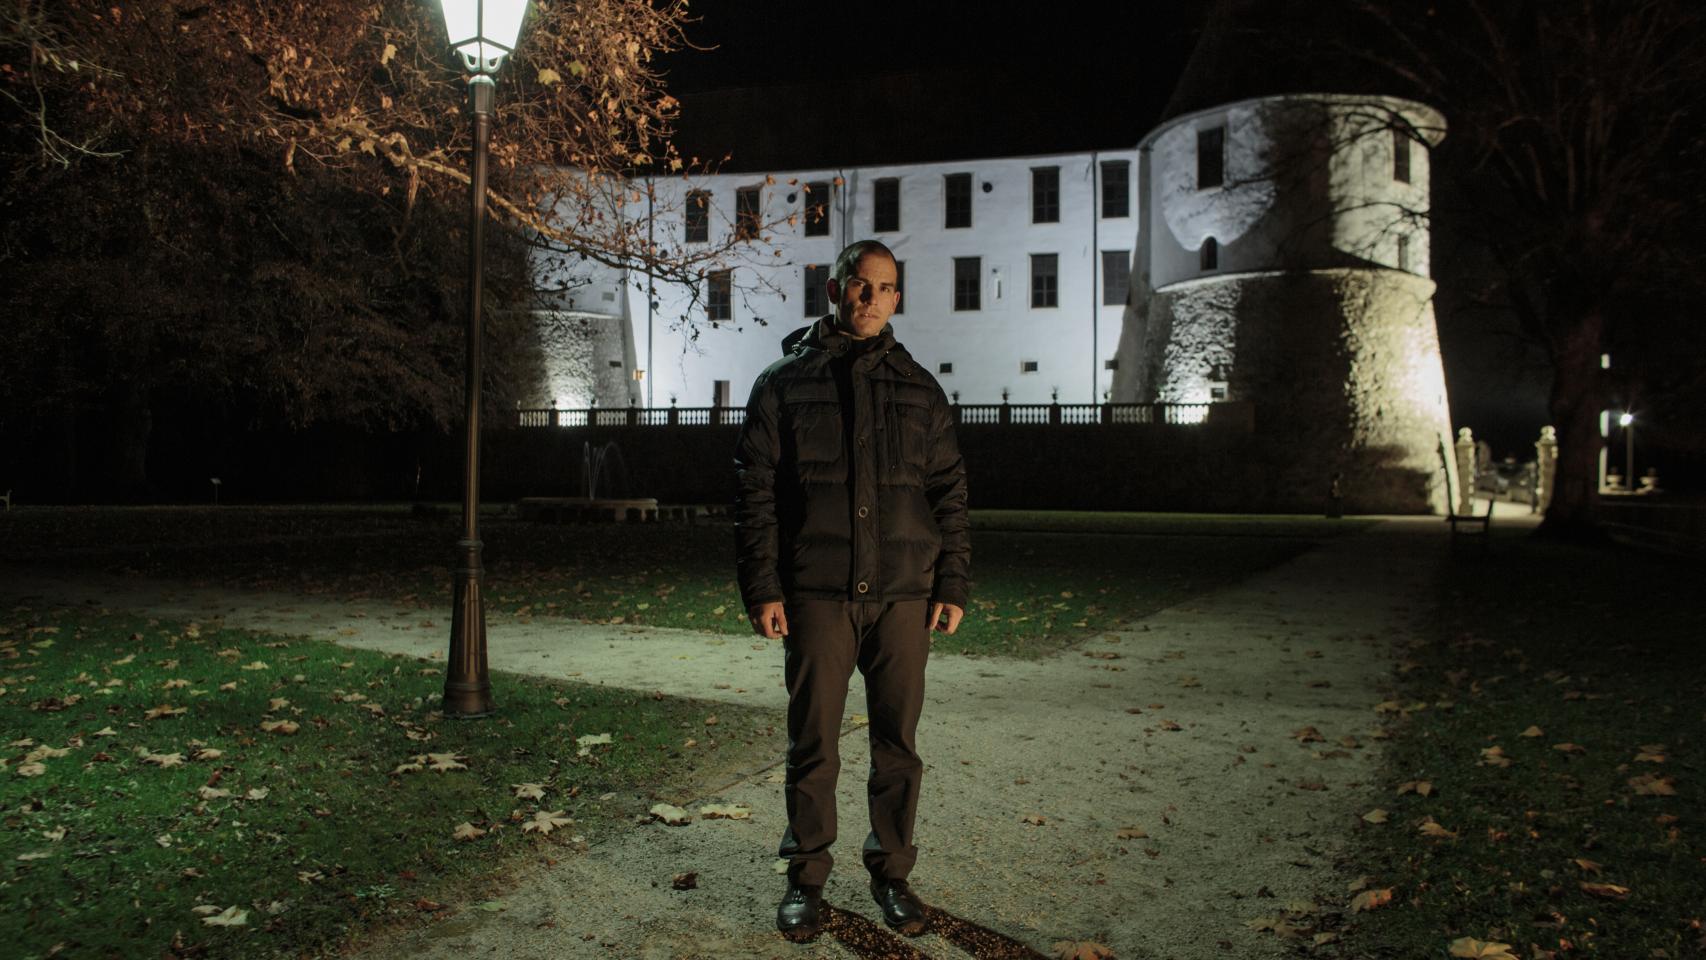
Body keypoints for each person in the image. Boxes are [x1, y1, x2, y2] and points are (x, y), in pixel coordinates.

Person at [734, 239, 970, 942]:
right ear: (834, 291)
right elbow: (754, 495)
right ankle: (806, 878)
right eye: (858, 286)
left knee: (898, 743)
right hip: (817, 593)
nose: (870, 300)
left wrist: (952, 580)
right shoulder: (782, 383)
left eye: (885, 288)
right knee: (814, 744)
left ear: (898, 298)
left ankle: (892, 873)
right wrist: (763, 586)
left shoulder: (921, 388)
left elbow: (949, 490)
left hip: (903, 594)